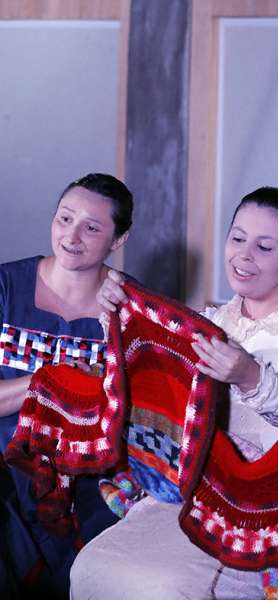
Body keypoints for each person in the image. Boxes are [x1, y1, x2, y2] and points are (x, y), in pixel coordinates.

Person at [70, 186, 278, 599]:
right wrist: (115, 319)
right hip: (201, 479)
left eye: (264, 246)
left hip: (272, 496)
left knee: (167, 586)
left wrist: (248, 376)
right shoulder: (214, 320)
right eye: (237, 238)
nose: (244, 255)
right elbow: (157, 378)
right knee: (93, 566)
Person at [0, 173, 133, 598]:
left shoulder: (130, 310)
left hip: (86, 478)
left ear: (118, 239)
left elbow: (139, 417)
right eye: (64, 219)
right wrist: (50, 380)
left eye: (91, 227)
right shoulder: (5, 288)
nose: (71, 237)